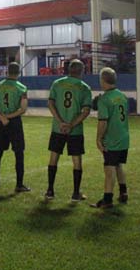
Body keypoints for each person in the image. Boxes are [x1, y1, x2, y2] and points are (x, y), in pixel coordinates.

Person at [45, 59, 92, 202]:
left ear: (69, 70)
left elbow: (51, 103)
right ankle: (76, 193)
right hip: (75, 130)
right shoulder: (84, 87)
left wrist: (60, 122)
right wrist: (71, 125)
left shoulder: (57, 83)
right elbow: (85, 111)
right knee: (76, 160)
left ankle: (50, 191)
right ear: (82, 71)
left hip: (57, 128)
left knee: (54, 157)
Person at [90, 68, 129, 209]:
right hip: (124, 137)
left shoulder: (105, 99)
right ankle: (123, 193)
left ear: (102, 80)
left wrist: (98, 139)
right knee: (118, 164)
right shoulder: (122, 96)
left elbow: (103, 122)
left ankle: (107, 199)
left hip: (112, 139)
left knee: (109, 168)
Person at [0, 62, 30, 192]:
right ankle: (19, 184)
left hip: (1, 122)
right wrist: (10, 116)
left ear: (7, 72)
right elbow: (23, 109)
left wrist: (2, 117)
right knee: (19, 153)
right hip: (14, 123)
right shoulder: (22, 87)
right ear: (19, 72)